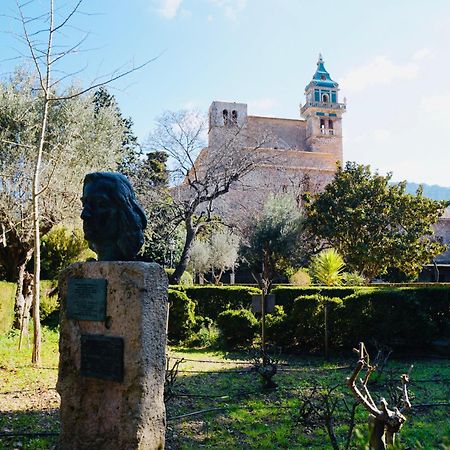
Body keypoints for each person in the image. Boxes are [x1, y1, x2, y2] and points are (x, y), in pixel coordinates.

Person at [81, 172, 147, 261]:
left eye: (100, 204)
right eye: (84, 204)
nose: (84, 215)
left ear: (124, 212)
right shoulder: (80, 272)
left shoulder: (138, 273)